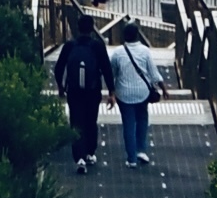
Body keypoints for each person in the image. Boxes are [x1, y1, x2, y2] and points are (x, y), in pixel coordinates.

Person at [54, 13, 114, 174]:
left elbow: (59, 68)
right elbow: (107, 69)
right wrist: (111, 91)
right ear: (92, 28)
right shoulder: (97, 46)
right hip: (93, 91)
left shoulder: (69, 46)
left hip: (73, 91)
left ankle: (79, 157)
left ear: (78, 28)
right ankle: (90, 152)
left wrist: (60, 86)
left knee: (76, 122)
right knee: (90, 120)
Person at [111, 18, 165, 168]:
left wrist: (112, 91)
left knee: (128, 124)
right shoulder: (145, 51)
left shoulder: (117, 53)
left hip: (123, 94)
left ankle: (131, 158)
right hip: (143, 92)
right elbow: (153, 74)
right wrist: (164, 88)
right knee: (142, 119)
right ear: (137, 35)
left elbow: (112, 73)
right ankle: (142, 150)